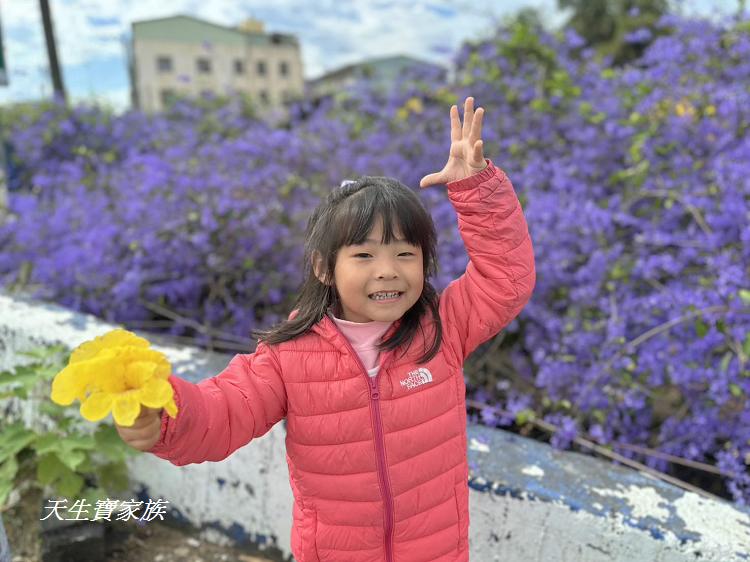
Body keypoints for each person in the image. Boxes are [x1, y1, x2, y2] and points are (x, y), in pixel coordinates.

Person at [115, 97, 535, 562]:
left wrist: (477, 189)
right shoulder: (288, 356)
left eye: (404, 254)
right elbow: (222, 413)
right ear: (323, 267)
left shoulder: (443, 329)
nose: (387, 270)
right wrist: (163, 415)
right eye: (363, 255)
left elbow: (506, 278)